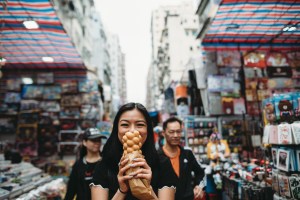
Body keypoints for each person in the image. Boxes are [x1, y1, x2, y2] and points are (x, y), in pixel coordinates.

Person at [90, 102, 176, 200]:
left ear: (148, 129)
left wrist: (147, 189)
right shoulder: (104, 166)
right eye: (125, 125)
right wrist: (122, 190)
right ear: (116, 129)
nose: (132, 131)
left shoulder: (162, 164)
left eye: (139, 125)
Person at [158, 116, 205, 200]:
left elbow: (200, 173)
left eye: (178, 132)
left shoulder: (187, 154)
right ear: (163, 133)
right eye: (171, 132)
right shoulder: (157, 156)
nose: (175, 135)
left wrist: (199, 186)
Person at [64, 128, 107, 200]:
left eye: (99, 140)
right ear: (84, 142)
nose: (97, 143)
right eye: (93, 140)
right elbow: (71, 189)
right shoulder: (78, 165)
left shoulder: (106, 163)